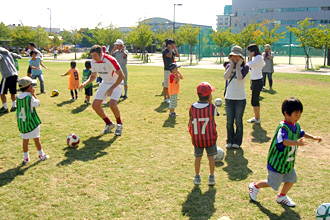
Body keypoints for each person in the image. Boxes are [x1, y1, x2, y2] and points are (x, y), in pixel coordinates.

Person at [249, 97, 322, 207]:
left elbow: (301, 133)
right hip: (277, 162)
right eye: (296, 115)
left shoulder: (295, 125)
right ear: (286, 114)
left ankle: (282, 196)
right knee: (272, 183)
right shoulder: (282, 128)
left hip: (287, 162)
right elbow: (284, 141)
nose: (298, 117)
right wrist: (297, 143)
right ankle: (255, 186)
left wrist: (313, 137)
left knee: (292, 179)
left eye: (299, 114)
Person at [78, 45, 125, 136]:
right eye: (92, 55)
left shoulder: (110, 60)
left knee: (112, 104)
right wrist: (85, 83)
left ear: (101, 53)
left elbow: (122, 76)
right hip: (105, 83)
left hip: (117, 82)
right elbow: (93, 76)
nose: (93, 58)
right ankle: (109, 123)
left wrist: (112, 88)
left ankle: (119, 124)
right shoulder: (93, 62)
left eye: (95, 55)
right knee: (95, 105)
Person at [188, 82, 218, 186]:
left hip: (197, 138)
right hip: (210, 137)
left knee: (198, 157)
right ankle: (211, 177)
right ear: (209, 95)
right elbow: (215, 116)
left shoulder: (192, 107)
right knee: (211, 157)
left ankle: (197, 176)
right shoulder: (212, 107)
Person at [16, 77, 50, 164]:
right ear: (29, 87)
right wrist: (33, 94)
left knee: (25, 140)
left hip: (22, 123)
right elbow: (37, 103)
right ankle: (41, 155)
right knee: (36, 139)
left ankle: (26, 158)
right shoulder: (29, 97)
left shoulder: (18, 96)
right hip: (31, 122)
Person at [223, 46, 249, 149]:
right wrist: (231, 65)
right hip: (229, 97)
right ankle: (229, 140)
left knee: (238, 121)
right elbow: (225, 77)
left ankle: (237, 141)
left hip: (240, 98)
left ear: (241, 57)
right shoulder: (229, 66)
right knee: (229, 121)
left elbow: (239, 78)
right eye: (233, 56)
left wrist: (238, 66)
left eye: (237, 57)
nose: (235, 58)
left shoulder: (245, 67)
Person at [246, 44, 265, 124]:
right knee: (255, 99)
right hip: (256, 80)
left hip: (257, 81)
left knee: (254, 100)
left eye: (249, 51)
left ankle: (257, 118)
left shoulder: (258, 58)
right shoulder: (258, 58)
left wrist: (250, 57)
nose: (249, 53)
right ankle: (257, 117)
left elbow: (248, 65)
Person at [0, 47, 19, 113]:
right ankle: (14, 106)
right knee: (13, 92)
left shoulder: (1, 54)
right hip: (15, 74)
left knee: (1, 92)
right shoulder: (8, 53)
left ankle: (5, 107)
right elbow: (18, 56)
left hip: (7, 75)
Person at [162, 38, 179, 103]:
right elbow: (169, 55)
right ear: (168, 45)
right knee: (166, 85)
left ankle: (170, 97)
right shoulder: (165, 51)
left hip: (172, 70)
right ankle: (165, 98)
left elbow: (177, 55)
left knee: (171, 84)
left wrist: (174, 49)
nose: (173, 46)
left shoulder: (172, 51)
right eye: (172, 44)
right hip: (167, 70)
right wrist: (170, 49)